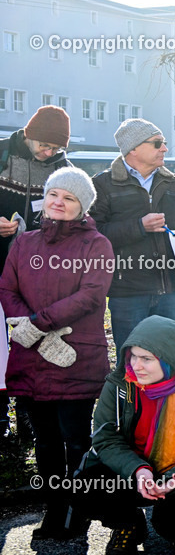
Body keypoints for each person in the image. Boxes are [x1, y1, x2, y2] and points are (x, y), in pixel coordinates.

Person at [0, 168, 112, 538]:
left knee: (76, 437)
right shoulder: (24, 242)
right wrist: (29, 329)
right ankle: (54, 505)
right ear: (45, 199)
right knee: (44, 440)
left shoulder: (96, 244)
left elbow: (91, 295)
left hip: (75, 355)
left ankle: (79, 507)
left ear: (82, 207)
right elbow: (7, 287)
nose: (58, 203)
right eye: (54, 195)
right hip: (31, 358)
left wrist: (39, 325)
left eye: (69, 198)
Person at [76, 316, 175, 555]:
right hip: (132, 471)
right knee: (83, 486)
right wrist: (138, 471)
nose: (136, 365)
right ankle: (128, 524)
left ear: (170, 361)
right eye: (132, 356)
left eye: (147, 358)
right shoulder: (118, 386)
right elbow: (104, 439)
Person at [91, 119, 175, 360]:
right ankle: (128, 400)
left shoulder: (174, 183)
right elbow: (94, 235)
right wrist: (139, 226)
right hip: (127, 292)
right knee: (130, 361)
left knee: (168, 360)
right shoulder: (103, 185)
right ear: (133, 149)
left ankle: (165, 400)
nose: (164, 149)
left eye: (164, 143)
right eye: (157, 143)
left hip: (170, 290)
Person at [0, 105, 70, 444]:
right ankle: (1, 417)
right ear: (29, 134)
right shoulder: (1, 153)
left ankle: (29, 414)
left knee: (28, 340)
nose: (49, 152)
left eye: (56, 148)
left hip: (35, 273)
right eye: (44, 145)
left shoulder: (62, 168)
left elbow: (74, 212)